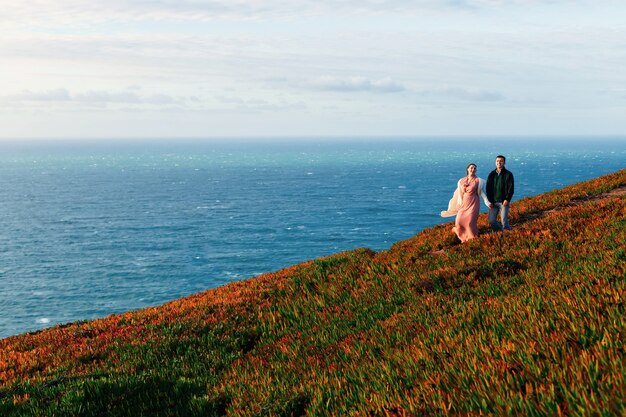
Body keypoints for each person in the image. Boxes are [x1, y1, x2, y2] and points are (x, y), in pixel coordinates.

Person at [441, 163, 490, 242]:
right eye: (471, 168)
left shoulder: (478, 180)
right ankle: (463, 237)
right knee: (459, 220)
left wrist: (487, 202)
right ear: (467, 169)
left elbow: (481, 193)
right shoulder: (462, 180)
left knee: (470, 222)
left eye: (474, 168)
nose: (473, 169)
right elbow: (459, 193)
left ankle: (471, 238)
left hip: (474, 202)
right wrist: (459, 204)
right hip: (464, 203)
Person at [486, 155, 514, 231]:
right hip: (493, 202)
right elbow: (488, 188)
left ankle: (507, 235)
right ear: (495, 162)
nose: (499, 162)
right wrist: (489, 201)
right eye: (497, 161)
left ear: (504, 163)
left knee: (504, 221)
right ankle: (502, 231)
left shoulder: (508, 174)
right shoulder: (491, 174)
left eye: (501, 161)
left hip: (503, 202)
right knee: (491, 221)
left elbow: (511, 188)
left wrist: (507, 199)